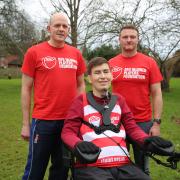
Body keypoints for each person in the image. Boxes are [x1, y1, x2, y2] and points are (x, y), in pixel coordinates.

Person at [61, 57, 171, 180]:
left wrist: (149, 141)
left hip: (123, 165)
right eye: (97, 73)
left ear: (112, 76)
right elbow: (67, 132)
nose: (103, 76)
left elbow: (132, 129)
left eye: (106, 72)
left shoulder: (119, 100)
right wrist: (78, 144)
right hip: (92, 166)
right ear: (89, 79)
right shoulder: (80, 101)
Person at [20, 12, 86, 180]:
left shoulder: (76, 54)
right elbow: (26, 89)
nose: (61, 29)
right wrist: (25, 124)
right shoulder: (34, 52)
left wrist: (81, 113)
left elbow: (81, 84)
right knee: (35, 169)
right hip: (43, 121)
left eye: (64, 26)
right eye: (57, 25)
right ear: (49, 28)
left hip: (69, 122)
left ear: (68, 30)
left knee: (61, 169)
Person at [109, 24, 163, 175]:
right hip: (117, 123)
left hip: (143, 123)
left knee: (143, 167)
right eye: (125, 37)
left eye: (132, 37)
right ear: (119, 40)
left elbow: (157, 93)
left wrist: (156, 123)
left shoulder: (149, 62)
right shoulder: (111, 63)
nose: (129, 40)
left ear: (138, 39)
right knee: (118, 164)